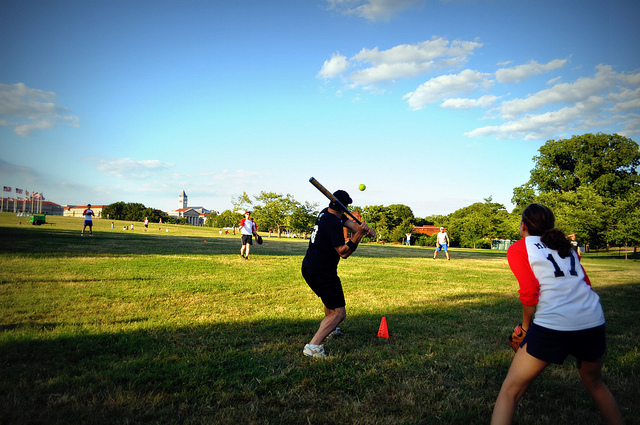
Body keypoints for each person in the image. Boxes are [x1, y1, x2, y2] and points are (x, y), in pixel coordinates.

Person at [491, 203, 622, 425]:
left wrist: (526, 328)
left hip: (555, 323)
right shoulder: (565, 246)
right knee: (595, 383)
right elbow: (586, 283)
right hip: (593, 319)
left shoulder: (519, 248)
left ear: (523, 225)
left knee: (510, 391)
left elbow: (529, 291)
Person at [301, 190, 375, 359]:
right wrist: (358, 235)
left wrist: (365, 230)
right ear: (345, 206)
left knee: (330, 301)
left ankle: (331, 329)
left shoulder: (327, 213)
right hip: (322, 271)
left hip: (311, 266)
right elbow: (343, 252)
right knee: (339, 313)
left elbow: (351, 224)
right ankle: (313, 347)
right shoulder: (333, 222)